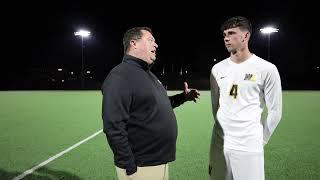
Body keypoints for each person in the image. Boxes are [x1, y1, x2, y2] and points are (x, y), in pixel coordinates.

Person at [102, 27, 200, 180]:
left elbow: (158, 105)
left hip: (157, 162)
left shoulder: (147, 74)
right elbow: (113, 126)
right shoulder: (120, 76)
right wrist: (130, 167)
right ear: (133, 43)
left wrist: (183, 97)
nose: (156, 45)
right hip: (140, 167)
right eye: (150, 40)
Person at [209, 16, 282, 180]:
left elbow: (275, 112)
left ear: (246, 36)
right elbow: (215, 106)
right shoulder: (217, 69)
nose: (226, 38)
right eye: (224, 35)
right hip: (220, 145)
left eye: (231, 33)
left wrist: (260, 140)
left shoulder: (267, 69)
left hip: (249, 147)